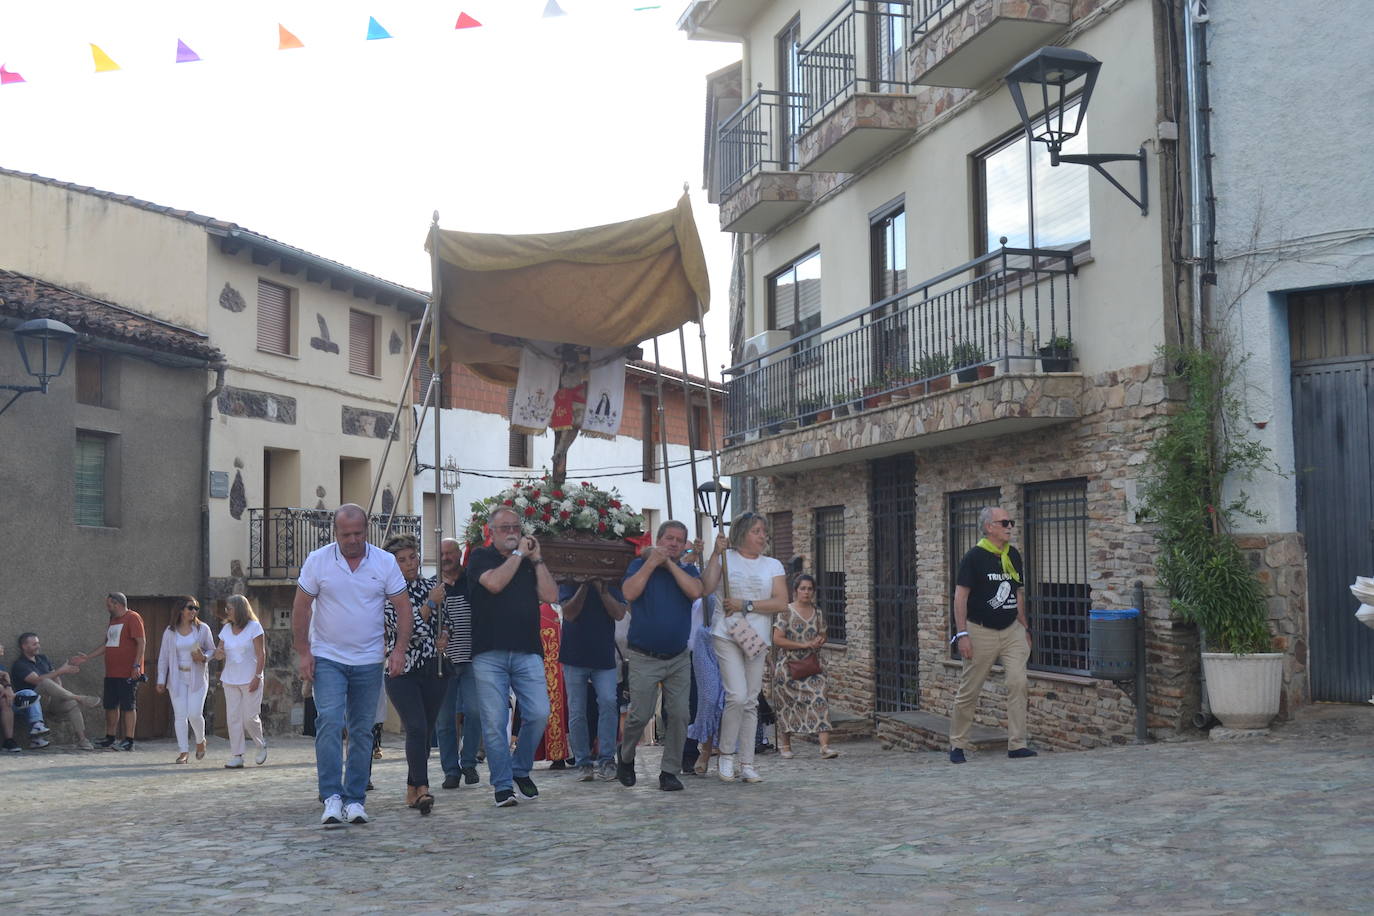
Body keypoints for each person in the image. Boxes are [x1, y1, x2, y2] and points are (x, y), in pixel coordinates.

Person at [293, 504, 412, 826]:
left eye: (358, 533)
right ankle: (331, 796)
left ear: (367, 530)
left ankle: (355, 798)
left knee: (362, 730)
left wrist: (399, 650)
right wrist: (304, 652)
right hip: (329, 656)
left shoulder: (384, 562)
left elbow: (403, 608)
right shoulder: (318, 561)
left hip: (369, 659)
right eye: (346, 534)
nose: (352, 539)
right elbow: (302, 607)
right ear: (336, 532)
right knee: (330, 721)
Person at [467, 506, 557, 808]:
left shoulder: (530, 562)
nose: (512, 533)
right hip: (488, 653)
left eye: (516, 527)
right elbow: (493, 584)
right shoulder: (481, 557)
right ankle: (503, 786)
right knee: (494, 722)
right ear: (491, 532)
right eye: (505, 528)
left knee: (539, 713)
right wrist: (518, 555)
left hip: (526, 650)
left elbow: (551, 595)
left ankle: (519, 768)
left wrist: (537, 558)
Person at [700, 512, 788, 784]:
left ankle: (747, 761)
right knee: (736, 695)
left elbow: (781, 602)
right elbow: (707, 587)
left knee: (750, 699)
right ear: (742, 533)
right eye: (757, 531)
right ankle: (726, 753)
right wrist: (715, 553)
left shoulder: (772, 565)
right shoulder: (727, 558)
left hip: (756, 637)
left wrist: (746, 604)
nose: (763, 536)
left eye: (764, 532)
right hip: (727, 632)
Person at [617, 521, 703, 792]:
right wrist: (653, 563)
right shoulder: (639, 567)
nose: (673, 544)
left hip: (678, 657)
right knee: (640, 715)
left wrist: (672, 566)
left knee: (679, 714)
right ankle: (626, 755)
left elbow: (695, 591)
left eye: (679, 540)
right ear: (658, 540)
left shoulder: (688, 570)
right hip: (644, 655)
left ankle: (669, 771)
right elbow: (629, 592)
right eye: (668, 538)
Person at [949, 505, 1037, 764]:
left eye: (1010, 522)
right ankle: (957, 744)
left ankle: (1017, 744)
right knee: (970, 688)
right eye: (1004, 522)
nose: (1010, 526)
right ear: (989, 527)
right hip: (980, 630)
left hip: (1011, 630)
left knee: (1018, 683)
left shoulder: (1013, 555)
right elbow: (960, 597)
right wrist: (962, 633)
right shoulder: (974, 557)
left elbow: (1017, 593)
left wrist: (1025, 627)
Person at [381, 533, 444, 816]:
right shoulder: (386, 593)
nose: (410, 564)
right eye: (402, 560)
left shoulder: (432, 585)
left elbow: (447, 621)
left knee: (425, 731)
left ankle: (412, 789)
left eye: (413, 557)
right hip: (401, 668)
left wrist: (445, 634)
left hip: (434, 665)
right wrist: (430, 605)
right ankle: (423, 787)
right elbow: (410, 627)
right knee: (416, 726)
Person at [559, 577, 627, 782]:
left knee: (608, 703)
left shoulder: (610, 580)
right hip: (574, 655)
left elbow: (619, 613)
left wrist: (601, 589)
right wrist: (583, 585)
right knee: (577, 710)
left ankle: (607, 759)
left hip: (603, 655)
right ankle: (583, 762)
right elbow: (569, 614)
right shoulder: (569, 579)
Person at [433, 538, 483, 791]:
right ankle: (451, 770)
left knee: (475, 712)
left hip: (472, 658)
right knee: (444, 720)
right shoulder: (433, 585)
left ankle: (469, 762)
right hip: (443, 661)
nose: (445, 557)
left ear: (459, 554)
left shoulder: (472, 580)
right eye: (441, 553)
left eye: (450, 553)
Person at [772, 574, 840, 760]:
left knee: (820, 698)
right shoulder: (785, 611)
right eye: (803, 588)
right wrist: (803, 645)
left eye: (810, 589)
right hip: (788, 666)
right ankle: (786, 745)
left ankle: (825, 746)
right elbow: (777, 639)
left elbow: (823, 633)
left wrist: (820, 640)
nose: (806, 592)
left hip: (812, 666)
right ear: (795, 591)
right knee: (786, 704)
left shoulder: (817, 613)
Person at [72, 593, 146, 751]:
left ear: (117, 604)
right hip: (111, 672)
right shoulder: (113, 621)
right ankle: (110, 737)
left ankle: (129, 740)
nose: (107, 608)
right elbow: (107, 644)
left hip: (128, 672)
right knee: (110, 706)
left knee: (128, 706)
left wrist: (136, 666)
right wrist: (88, 657)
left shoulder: (133, 617)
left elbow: (141, 643)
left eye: (109, 605)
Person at [10, 633, 101, 750]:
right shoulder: (20, 664)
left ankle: (82, 739)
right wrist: (61, 670)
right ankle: (80, 698)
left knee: (71, 703)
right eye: (34, 644)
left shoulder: (43, 659)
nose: (38, 646)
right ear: (24, 646)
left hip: (51, 701)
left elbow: (56, 680)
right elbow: (37, 681)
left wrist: (60, 690)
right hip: (32, 705)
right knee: (45, 682)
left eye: (38, 643)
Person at [155, 597, 216, 764]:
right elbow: (164, 657)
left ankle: (200, 740)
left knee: (194, 713)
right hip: (177, 677)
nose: (194, 611)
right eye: (190, 608)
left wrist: (204, 657)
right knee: (180, 716)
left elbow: (212, 649)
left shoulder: (202, 629)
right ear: (181, 609)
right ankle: (183, 751)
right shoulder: (170, 631)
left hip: (196, 676)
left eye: (196, 608)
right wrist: (161, 679)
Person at [214, 595, 268, 769]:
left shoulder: (254, 627)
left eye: (229, 608)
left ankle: (260, 745)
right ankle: (237, 755)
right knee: (233, 718)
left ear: (239, 608)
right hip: (230, 678)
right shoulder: (226, 629)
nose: (226, 611)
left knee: (249, 718)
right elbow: (220, 650)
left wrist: (257, 676)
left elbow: (261, 654)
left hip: (251, 678)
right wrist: (219, 654)